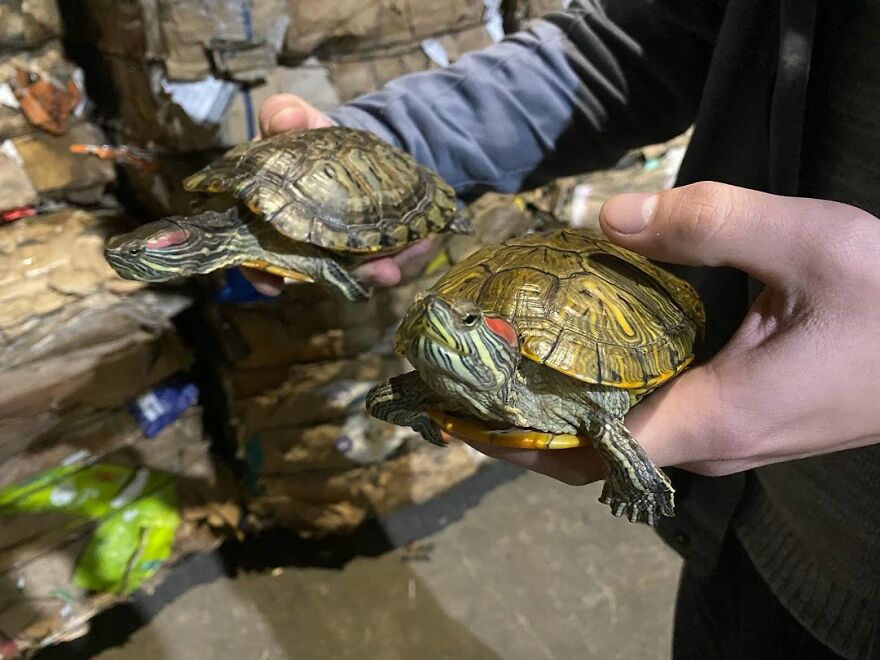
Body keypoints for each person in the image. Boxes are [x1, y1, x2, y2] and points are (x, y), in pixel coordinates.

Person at [246, 1, 880, 657]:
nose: (438, 323)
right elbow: (644, 38)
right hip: (747, 532)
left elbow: (606, 407)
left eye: (460, 326)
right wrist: (380, 167)